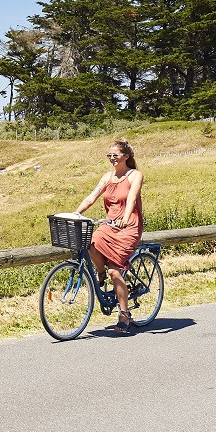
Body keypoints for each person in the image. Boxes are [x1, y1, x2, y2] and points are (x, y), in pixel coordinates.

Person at [75, 139, 145, 331]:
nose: (112, 159)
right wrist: (76, 213)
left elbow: (131, 198)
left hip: (128, 226)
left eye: (116, 155)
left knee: (116, 271)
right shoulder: (107, 177)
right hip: (109, 225)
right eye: (109, 155)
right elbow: (91, 197)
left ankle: (124, 314)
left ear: (126, 156)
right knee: (88, 242)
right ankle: (100, 272)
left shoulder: (135, 175)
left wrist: (126, 217)